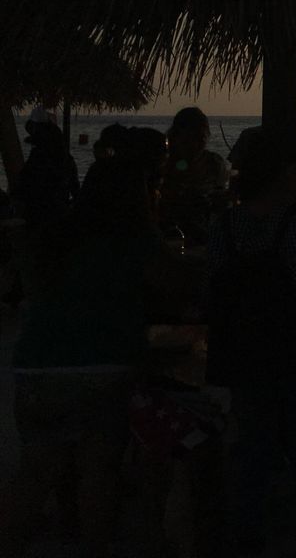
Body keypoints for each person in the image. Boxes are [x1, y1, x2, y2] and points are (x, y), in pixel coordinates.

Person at [2, 138, 191, 557]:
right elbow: (177, 285)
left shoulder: (60, 235)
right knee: (98, 471)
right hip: (103, 366)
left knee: (35, 473)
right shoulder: (135, 237)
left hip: (36, 366)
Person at [206, 128, 296, 556]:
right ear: (288, 172)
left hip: (243, 346)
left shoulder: (225, 224)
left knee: (253, 440)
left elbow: (215, 287)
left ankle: (248, 528)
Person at [158, 106, 230, 246]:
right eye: (190, 138)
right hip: (171, 234)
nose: (196, 144)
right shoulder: (164, 163)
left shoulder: (214, 163)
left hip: (206, 232)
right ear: (177, 136)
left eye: (201, 138)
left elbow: (220, 197)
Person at [13, 110, 79, 227]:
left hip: (40, 214)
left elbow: (23, 186)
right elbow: (75, 188)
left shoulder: (38, 157)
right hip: (57, 213)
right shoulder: (64, 158)